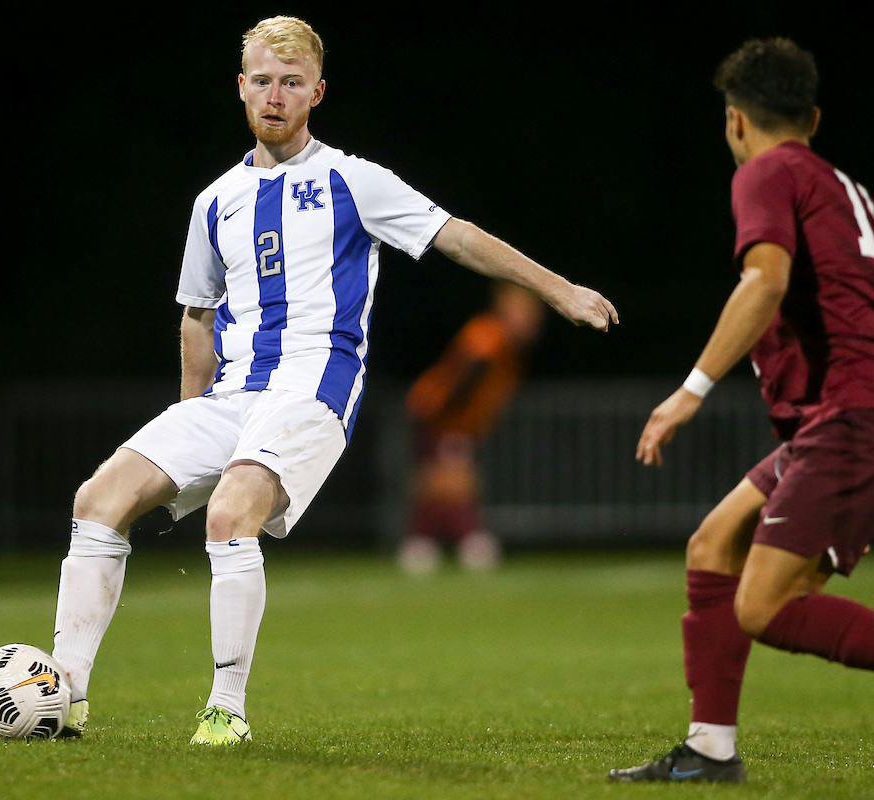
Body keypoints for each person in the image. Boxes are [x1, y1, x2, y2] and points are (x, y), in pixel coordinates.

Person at [42, 15, 617, 746]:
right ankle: (64, 694)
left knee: (229, 514)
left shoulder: (351, 180)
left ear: (317, 92)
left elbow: (456, 236)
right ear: (241, 88)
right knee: (98, 499)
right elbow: (196, 319)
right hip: (231, 397)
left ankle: (225, 710)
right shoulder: (214, 202)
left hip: (313, 391)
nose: (275, 95)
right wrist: (187, 424)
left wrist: (559, 289)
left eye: (291, 82)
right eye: (262, 80)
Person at [608, 38, 874, 783]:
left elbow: (764, 283)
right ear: (814, 117)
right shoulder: (837, 183)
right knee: (713, 544)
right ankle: (709, 749)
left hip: (865, 414)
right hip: (870, 410)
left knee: (764, 607)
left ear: (735, 121)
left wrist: (687, 393)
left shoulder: (767, 170)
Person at [398, 282, 546, 574]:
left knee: (438, 482)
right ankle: (468, 541)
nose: (530, 322)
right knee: (454, 482)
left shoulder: (504, 342)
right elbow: (462, 383)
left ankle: (421, 543)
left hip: (450, 419)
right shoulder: (489, 337)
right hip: (442, 416)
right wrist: (448, 426)